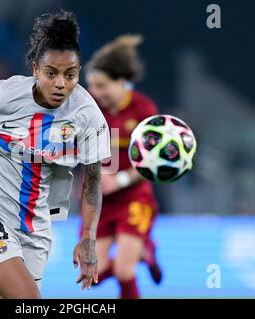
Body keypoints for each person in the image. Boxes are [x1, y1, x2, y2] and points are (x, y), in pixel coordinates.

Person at [0, 10, 111, 299]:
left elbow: (93, 180)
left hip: (35, 230)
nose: (61, 83)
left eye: (70, 74)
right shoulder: (0, 96)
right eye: (51, 73)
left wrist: (88, 237)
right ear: (35, 69)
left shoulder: (88, 117)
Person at [84, 35, 162, 299]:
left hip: (134, 197)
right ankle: (145, 250)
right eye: (92, 86)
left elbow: (155, 160)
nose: (96, 93)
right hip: (102, 203)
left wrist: (120, 181)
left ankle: (142, 247)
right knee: (92, 277)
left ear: (120, 81)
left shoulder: (143, 109)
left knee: (123, 272)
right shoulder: (93, 110)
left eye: (102, 86)